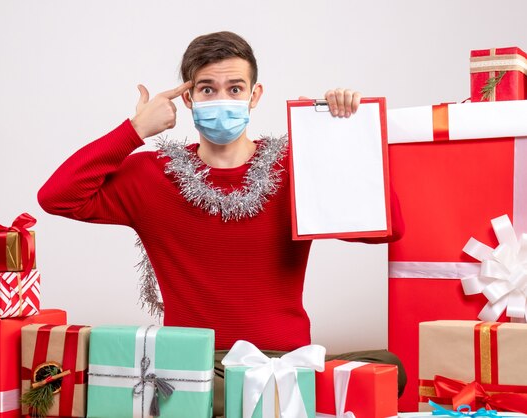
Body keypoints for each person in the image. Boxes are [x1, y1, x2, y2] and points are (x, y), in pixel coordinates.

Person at [38, 31, 405, 417]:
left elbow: (388, 228)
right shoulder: (151, 176)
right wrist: (135, 130)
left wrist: (343, 135)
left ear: (255, 95)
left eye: (235, 88)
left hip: (284, 360)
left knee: (387, 368)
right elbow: (57, 196)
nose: (222, 99)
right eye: (208, 90)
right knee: (189, 389)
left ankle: (253, 394)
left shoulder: (295, 168)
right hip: (195, 365)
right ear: (188, 99)